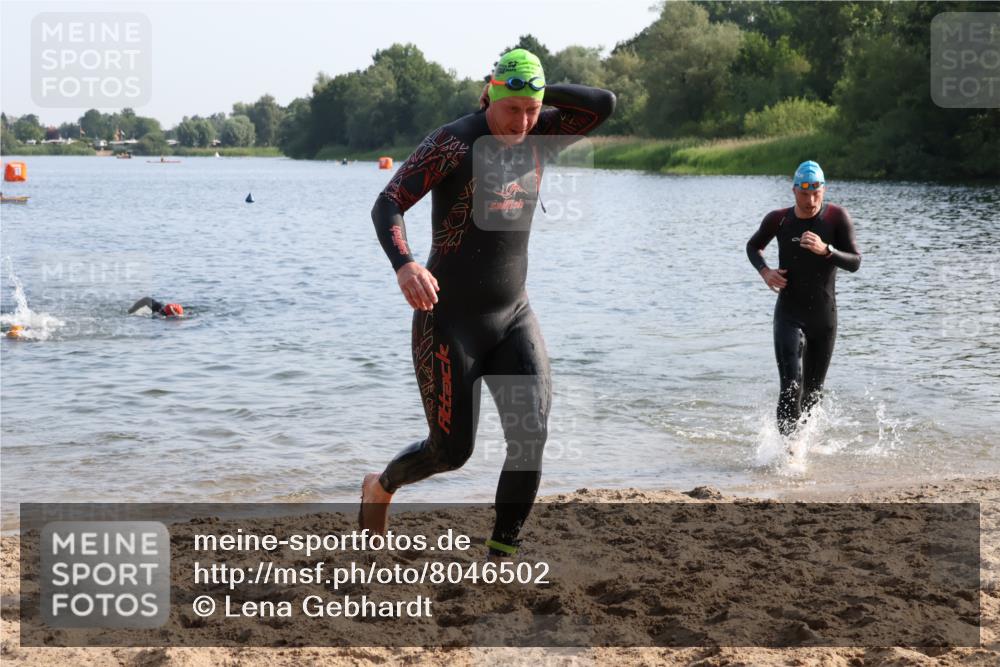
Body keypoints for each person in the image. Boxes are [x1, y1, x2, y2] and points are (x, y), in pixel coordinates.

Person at [363, 48, 615, 557]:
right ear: (489, 95)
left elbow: (603, 102)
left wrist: (535, 90)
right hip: (449, 320)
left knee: (532, 433)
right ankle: (381, 485)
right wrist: (406, 264)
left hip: (513, 314)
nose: (522, 121)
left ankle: (502, 548)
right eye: (512, 107)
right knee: (450, 452)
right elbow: (388, 202)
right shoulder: (454, 143)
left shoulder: (543, 131)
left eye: (532, 109)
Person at [746, 160, 862, 436]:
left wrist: (827, 251)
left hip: (823, 316)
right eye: (804, 193)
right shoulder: (779, 219)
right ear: (794, 190)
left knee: (812, 392)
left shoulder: (836, 217)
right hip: (789, 312)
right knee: (790, 385)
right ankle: (789, 452)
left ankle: (805, 445)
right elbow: (753, 246)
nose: (811, 201)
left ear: (823, 189)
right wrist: (765, 272)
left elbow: (856, 261)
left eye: (816, 193)